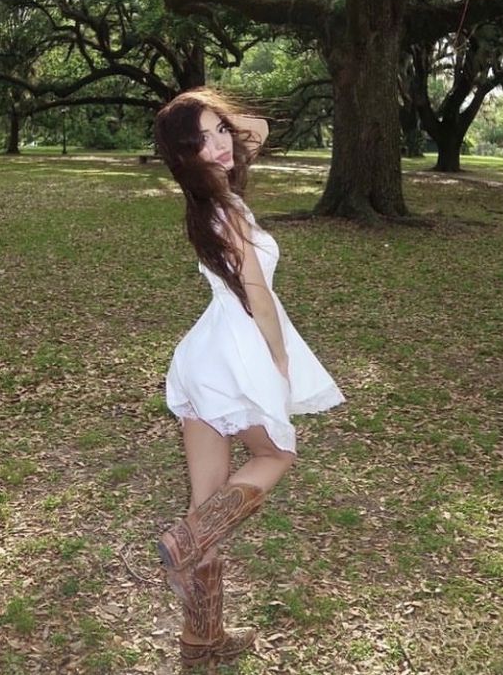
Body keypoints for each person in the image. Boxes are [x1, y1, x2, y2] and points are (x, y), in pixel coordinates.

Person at [154, 87, 345, 668]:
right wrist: (279, 360)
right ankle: (181, 542)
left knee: (206, 503)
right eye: (201, 142)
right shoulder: (225, 209)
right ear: (183, 159)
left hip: (205, 356)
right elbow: (258, 295)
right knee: (277, 455)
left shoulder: (211, 202)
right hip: (237, 350)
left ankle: (201, 640)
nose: (220, 146)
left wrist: (209, 120)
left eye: (219, 132)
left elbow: (254, 129)